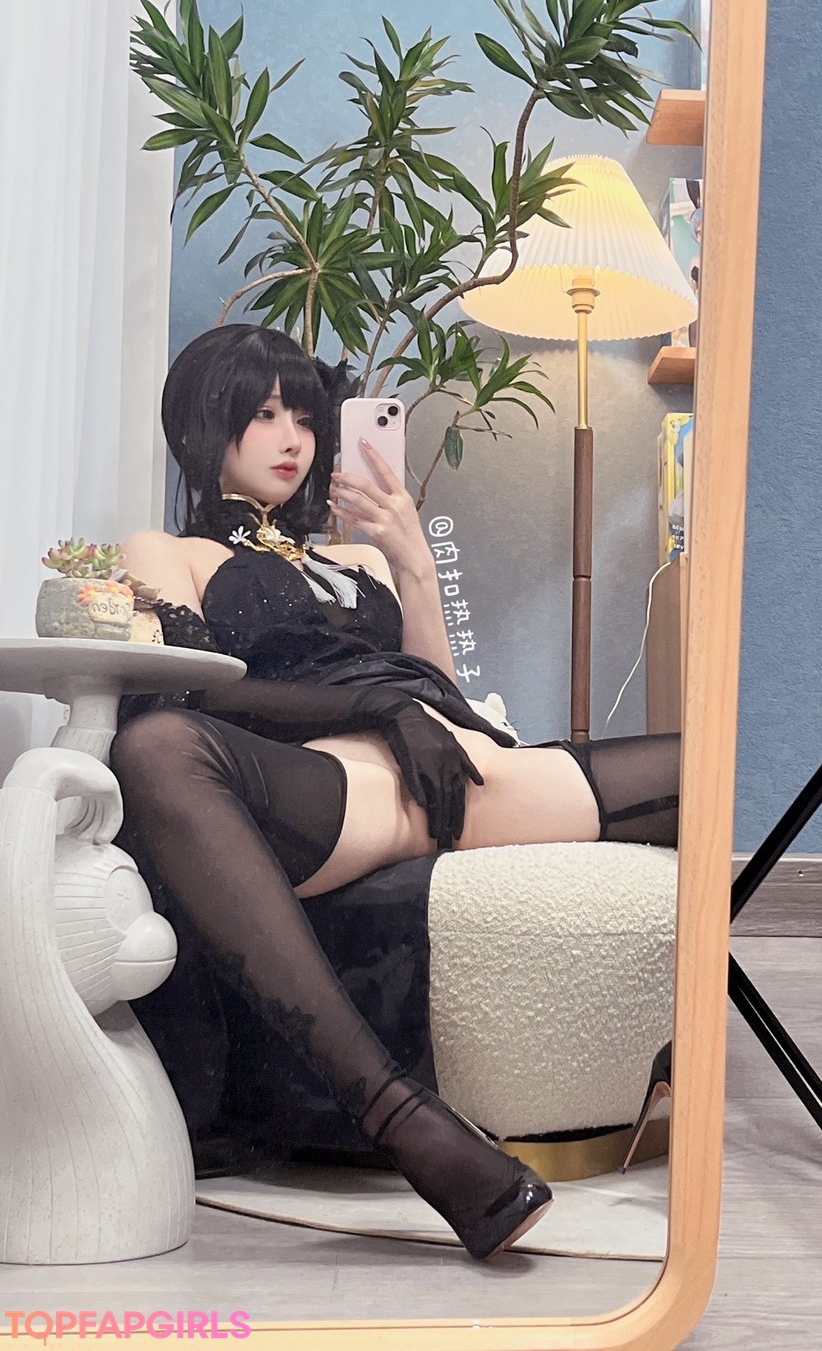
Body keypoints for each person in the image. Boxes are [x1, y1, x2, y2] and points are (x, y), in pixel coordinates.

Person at [110, 323, 681, 1261]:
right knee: (158, 745)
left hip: (454, 769)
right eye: (265, 415)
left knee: (705, 769)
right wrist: (374, 704)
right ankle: (407, 1123)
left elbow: (442, 692)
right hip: (331, 788)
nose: (294, 438)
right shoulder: (170, 551)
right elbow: (185, 690)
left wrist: (410, 555)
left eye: (306, 417)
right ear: (201, 425)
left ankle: (681, 1059)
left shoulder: (362, 562)